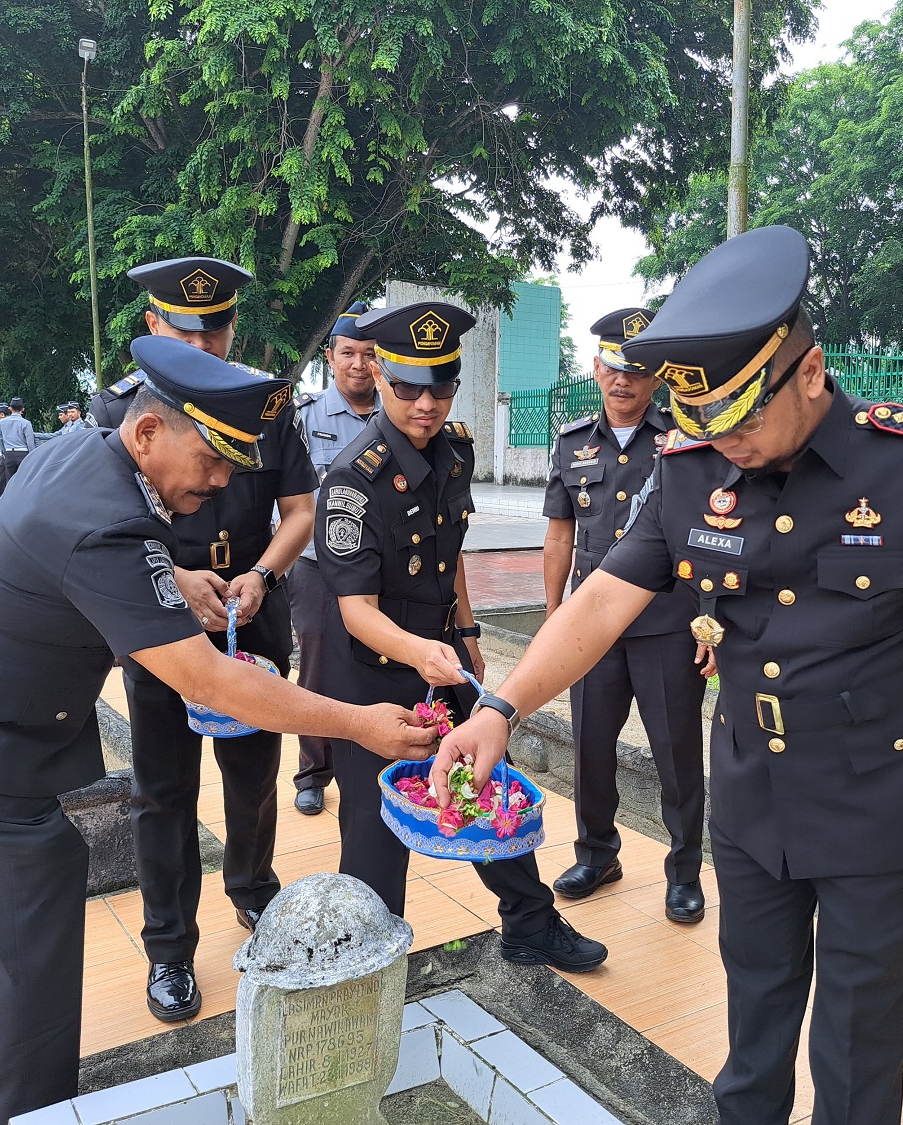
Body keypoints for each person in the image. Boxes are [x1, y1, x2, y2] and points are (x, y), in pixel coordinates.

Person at [432, 225, 903, 1125]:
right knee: (753, 1020)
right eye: (706, 420)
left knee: (857, 1044)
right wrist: (498, 707)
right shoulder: (689, 469)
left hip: (885, 798)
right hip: (754, 792)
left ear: (811, 371)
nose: (729, 442)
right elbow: (601, 601)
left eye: (744, 417)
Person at [0, 335, 436, 1125]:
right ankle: (31, 1110)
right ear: (148, 433)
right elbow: (212, 680)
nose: (226, 480)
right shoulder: (110, 527)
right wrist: (356, 724)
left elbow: (85, 568)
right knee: (31, 891)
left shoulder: (83, 453)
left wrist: (175, 581)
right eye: (214, 458)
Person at [316, 301, 609, 973]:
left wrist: (467, 630)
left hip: (443, 653)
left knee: (481, 783)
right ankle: (365, 962)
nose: (426, 403)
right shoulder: (351, 480)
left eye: (441, 386)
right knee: (376, 824)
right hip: (371, 670)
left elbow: (449, 557)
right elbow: (355, 609)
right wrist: (422, 649)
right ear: (381, 380)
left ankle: (530, 924)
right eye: (409, 388)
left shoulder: (454, 452)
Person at [95, 256, 317, 1024]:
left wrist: (260, 574)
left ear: (232, 328)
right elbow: (111, 521)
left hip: (252, 608)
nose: (202, 345)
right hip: (158, 612)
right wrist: (174, 573)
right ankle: (169, 949)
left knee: (255, 771)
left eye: (214, 330)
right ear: (154, 328)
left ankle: (255, 892)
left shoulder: (268, 404)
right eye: (183, 331)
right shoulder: (115, 410)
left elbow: (299, 511)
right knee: (162, 787)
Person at [542, 307, 711, 923]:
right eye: (614, 368)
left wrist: (709, 620)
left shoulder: (685, 441)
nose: (624, 382)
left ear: (657, 378)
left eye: (638, 372)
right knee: (590, 745)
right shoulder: (570, 444)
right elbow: (560, 536)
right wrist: (555, 614)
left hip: (667, 624)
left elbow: (710, 531)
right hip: (592, 627)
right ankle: (596, 853)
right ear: (595, 368)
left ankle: (685, 869)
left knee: (675, 750)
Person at [288, 300, 379, 815]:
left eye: (369, 354)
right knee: (319, 668)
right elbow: (291, 502)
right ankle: (313, 770)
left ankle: (368, 760)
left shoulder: (398, 415)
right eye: (348, 353)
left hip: (380, 570)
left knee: (375, 665)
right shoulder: (304, 418)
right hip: (319, 569)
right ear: (331, 355)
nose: (359, 365)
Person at [0, 396, 35, 511]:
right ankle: (23, 504)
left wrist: (2, 452)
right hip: (23, 453)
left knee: (9, 481)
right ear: (23, 409)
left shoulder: (2, 423)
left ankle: (10, 505)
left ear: (10, 408)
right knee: (24, 479)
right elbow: (30, 441)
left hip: (8, 454)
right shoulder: (26, 423)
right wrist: (32, 455)